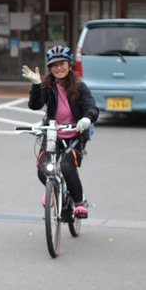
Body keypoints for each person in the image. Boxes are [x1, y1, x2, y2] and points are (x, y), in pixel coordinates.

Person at [22, 45, 99, 218]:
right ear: (50, 68)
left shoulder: (80, 87)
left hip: (74, 136)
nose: (59, 68)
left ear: (70, 65)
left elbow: (92, 108)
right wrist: (36, 85)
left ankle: (79, 203)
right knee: (43, 168)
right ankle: (53, 188)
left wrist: (86, 119)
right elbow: (35, 105)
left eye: (62, 63)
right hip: (52, 134)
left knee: (66, 166)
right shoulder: (48, 86)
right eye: (54, 65)